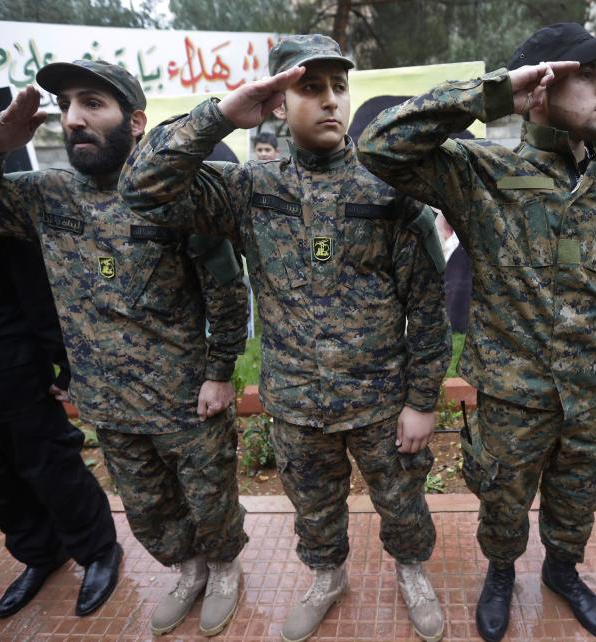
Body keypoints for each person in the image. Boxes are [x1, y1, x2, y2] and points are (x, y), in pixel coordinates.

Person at [119, 35, 451, 642]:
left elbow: (427, 307)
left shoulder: (387, 190)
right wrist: (218, 115)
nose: (330, 101)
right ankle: (327, 578)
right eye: (310, 87)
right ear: (277, 102)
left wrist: (423, 401)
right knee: (315, 511)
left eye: (339, 87)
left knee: (403, 504)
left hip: (381, 403)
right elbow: (142, 190)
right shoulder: (250, 189)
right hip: (297, 406)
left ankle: (411, 572)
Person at [359, 22, 596, 641]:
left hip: (587, 394)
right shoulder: (483, 172)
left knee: (578, 496)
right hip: (511, 396)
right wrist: (498, 92)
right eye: (586, 72)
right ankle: (500, 574)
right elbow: (379, 146)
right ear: (541, 86)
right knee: (502, 500)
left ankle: (562, 571)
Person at [0, 60, 250, 636]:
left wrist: (221, 370)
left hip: (184, 397)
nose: (74, 119)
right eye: (65, 107)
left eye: (92, 104)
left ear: (135, 122)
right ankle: (187, 570)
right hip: (105, 400)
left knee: (211, 501)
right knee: (149, 511)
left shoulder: (174, 194)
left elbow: (225, 288)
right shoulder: (46, 195)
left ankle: (225, 569)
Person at [0, 205, 121, 618]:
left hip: (7, 370)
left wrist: (66, 359)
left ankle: (97, 550)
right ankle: (41, 553)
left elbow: (35, 287)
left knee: (52, 470)